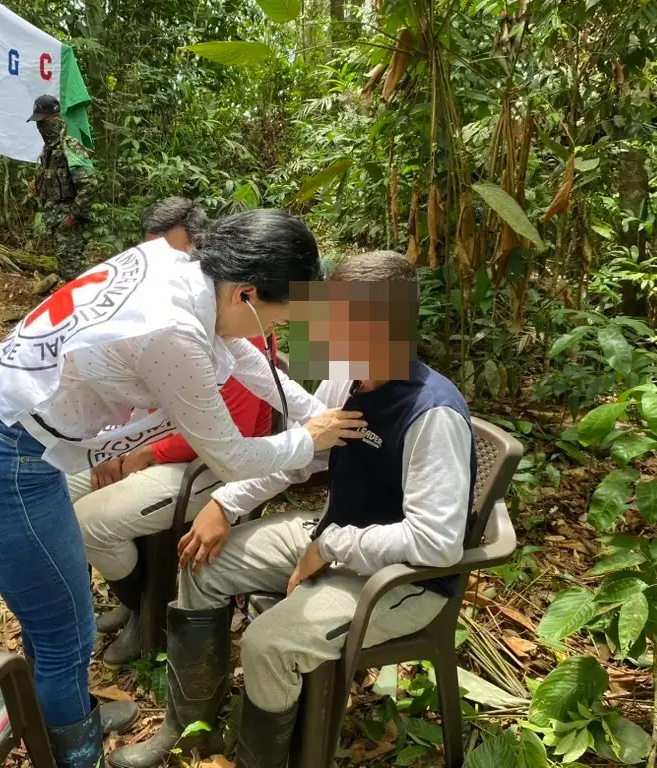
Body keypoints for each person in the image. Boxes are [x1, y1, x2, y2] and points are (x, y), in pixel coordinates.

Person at [0, 209, 367, 767]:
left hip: (12, 434)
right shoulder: (173, 333)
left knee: (56, 622)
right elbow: (232, 455)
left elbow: (247, 363)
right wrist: (310, 440)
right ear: (248, 294)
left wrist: (316, 414)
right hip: (3, 461)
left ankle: (69, 714)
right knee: (65, 632)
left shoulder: (180, 267)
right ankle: (76, 751)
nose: (269, 336)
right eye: (274, 318)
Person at [110, 251, 477, 768]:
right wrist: (223, 502)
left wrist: (330, 546)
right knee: (201, 560)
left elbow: (437, 542)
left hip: (405, 579)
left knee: (266, 645)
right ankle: (188, 724)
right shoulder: (348, 377)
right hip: (335, 535)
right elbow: (301, 453)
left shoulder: (431, 414)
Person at [67, 196, 273, 665]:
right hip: (155, 442)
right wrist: (118, 448)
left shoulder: (236, 316)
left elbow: (229, 433)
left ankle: (149, 612)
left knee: (91, 523)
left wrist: (142, 455)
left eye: (174, 258)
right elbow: (133, 395)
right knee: (62, 489)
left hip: (207, 461)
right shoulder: (157, 307)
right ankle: (130, 597)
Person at [27, 94, 96, 282]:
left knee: (74, 273)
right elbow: (51, 180)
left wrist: (72, 216)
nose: (39, 127)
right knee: (66, 269)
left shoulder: (69, 146)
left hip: (69, 221)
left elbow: (89, 185)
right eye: (38, 123)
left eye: (42, 122)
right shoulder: (48, 151)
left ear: (54, 119)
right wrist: (37, 186)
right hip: (55, 219)